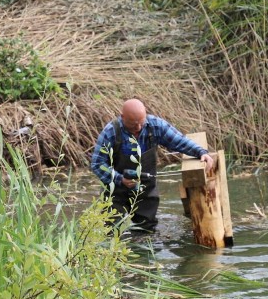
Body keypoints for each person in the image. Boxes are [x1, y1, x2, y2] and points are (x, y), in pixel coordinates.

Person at [91, 98, 215, 233]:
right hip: (115, 192)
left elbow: (179, 141)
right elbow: (98, 164)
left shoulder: (155, 126)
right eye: (133, 124)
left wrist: (201, 152)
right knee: (112, 231)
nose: (138, 128)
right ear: (123, 117)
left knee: (146, 232)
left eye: (141, 123)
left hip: (146, 190)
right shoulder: (111, 132)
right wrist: (120, 179)